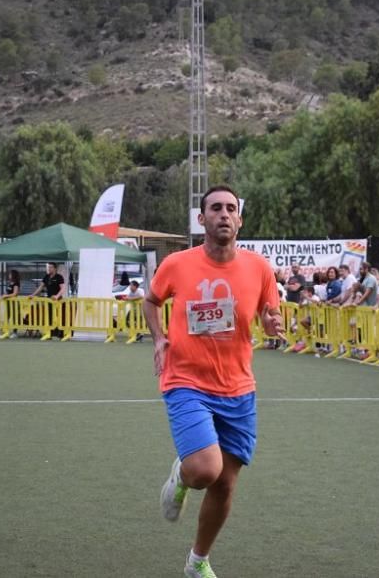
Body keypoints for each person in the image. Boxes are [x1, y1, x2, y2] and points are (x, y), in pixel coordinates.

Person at [143, 185, 282, 578]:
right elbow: (151, 300)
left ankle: (197, 561)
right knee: (206, 469)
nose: (224, 214)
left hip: (238, 388)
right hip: (186, 380)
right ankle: (182, 476)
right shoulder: (177, 263)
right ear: (201, 219)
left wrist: (273, 325)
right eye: (215, 208)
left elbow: (270, 318)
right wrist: (158, 338)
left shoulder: (259, 268)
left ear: (239, 219)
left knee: (225, 484)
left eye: (230, 208)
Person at [0, 269, 21, 338]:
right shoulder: (10, 283)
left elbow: (15, 293)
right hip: (8, 303)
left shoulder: (16, 283)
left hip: (14, 303)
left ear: (13, 275)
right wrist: (3, 295)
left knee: (15, 318)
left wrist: (6, 296)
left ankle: (15, 333)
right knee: (6, 317)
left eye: (10, 274)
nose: (9, 276)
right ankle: (2, 331)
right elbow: (8, 292)